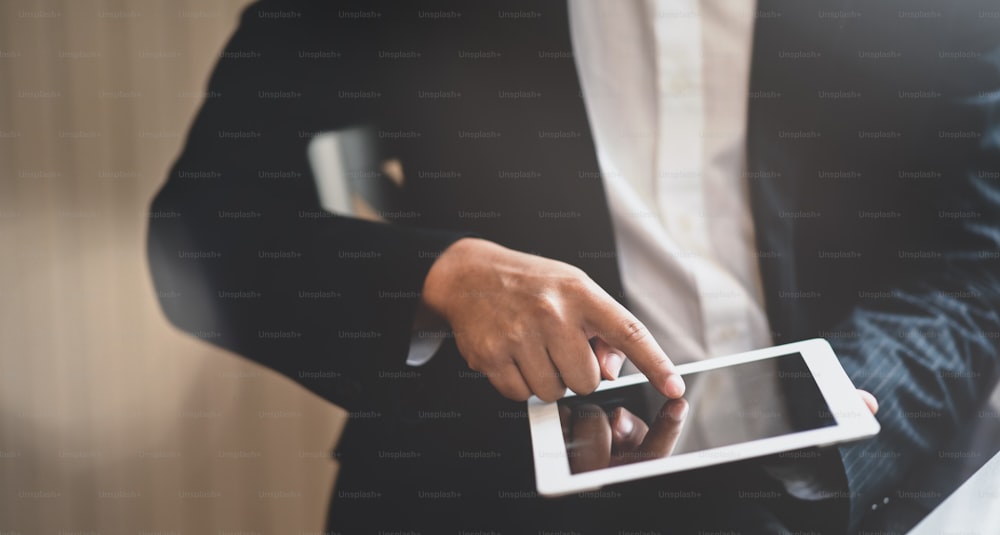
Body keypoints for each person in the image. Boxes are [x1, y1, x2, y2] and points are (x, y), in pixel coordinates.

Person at [147, 1, 1000, 532]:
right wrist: (442, 274)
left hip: (879, 487)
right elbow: (204, 225)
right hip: (490, 496)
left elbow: (978, 243)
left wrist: (831, 438)